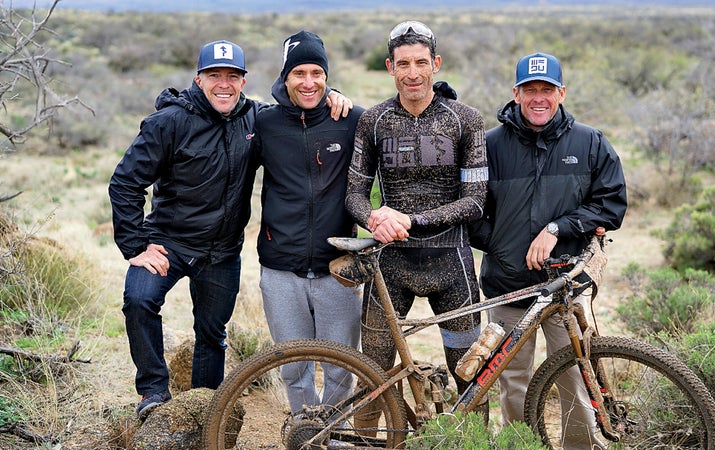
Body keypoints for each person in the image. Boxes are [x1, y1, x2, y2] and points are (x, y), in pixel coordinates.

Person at [108, 39, 351, 420]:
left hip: (221, 251)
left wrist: (329, 95)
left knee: (211, 333)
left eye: (232, 76)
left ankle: (205, 407)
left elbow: (296, 105)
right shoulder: (168, 122)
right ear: (198, 78)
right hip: (168, 243)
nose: (224, 84)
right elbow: (124, 182)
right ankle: (153, 391)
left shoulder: (253, 119)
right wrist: (135, 244)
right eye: (214, 76)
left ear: (243, 80)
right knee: (139, 301)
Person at [469, 52, 627, 448]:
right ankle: (522, 446)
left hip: (564, 286)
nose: (538, 98)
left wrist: (559, 228)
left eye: (547, 90)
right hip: (508, 287)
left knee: (573, 378)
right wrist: (505, 246)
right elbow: (471, 210)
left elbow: (612, 203)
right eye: (529, 90)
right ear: (516, 93)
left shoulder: (590, 142)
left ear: (562, 93)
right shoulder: (490, 145)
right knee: (514, 381)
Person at [344, 20, 488, 408]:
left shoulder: (465, 119)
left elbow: (475, 201)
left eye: (421, 63)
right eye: (403, 64)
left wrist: (413, 220)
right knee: (372, 377)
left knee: (470, 376)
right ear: (390, 67)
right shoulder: (374, 120)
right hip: (390, 263)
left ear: (435, 64)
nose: (412, 73)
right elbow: (354, 195)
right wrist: (374, 219)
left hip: (451, 263)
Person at [253, 30, 365, 416]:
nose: (308, 82)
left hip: (338, 268)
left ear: (327, 76)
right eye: (298, 72)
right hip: (281, 268)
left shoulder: (350, 119)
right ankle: (306, 432)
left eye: (317, 72)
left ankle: (333, 434)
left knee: (340, 368)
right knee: (293, 368)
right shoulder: (264, 124)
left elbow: (398, 123)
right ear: (284, 77)